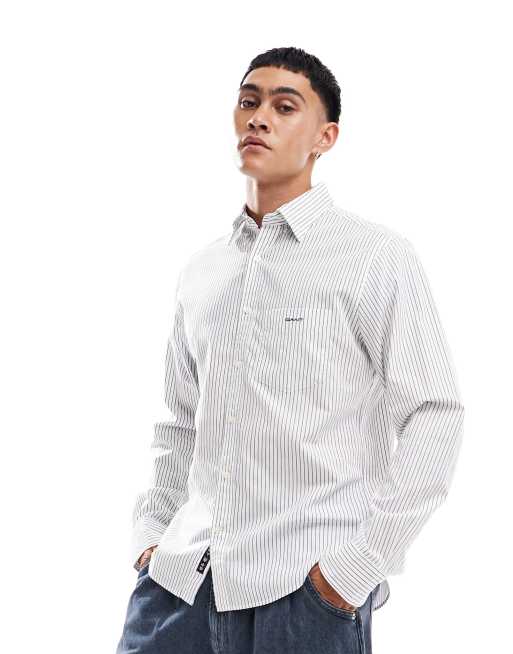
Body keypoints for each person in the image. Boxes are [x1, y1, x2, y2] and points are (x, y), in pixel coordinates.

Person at [116, 46, 464, 654]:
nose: (258, 118)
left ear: (325, 137)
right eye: (248, 102)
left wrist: (355, 568)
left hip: (303, 594)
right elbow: (181, 422)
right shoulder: (204, 271)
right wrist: (152, 535)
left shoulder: (373, 256)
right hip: (180, 584)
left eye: (284, 106)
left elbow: (434, 413)